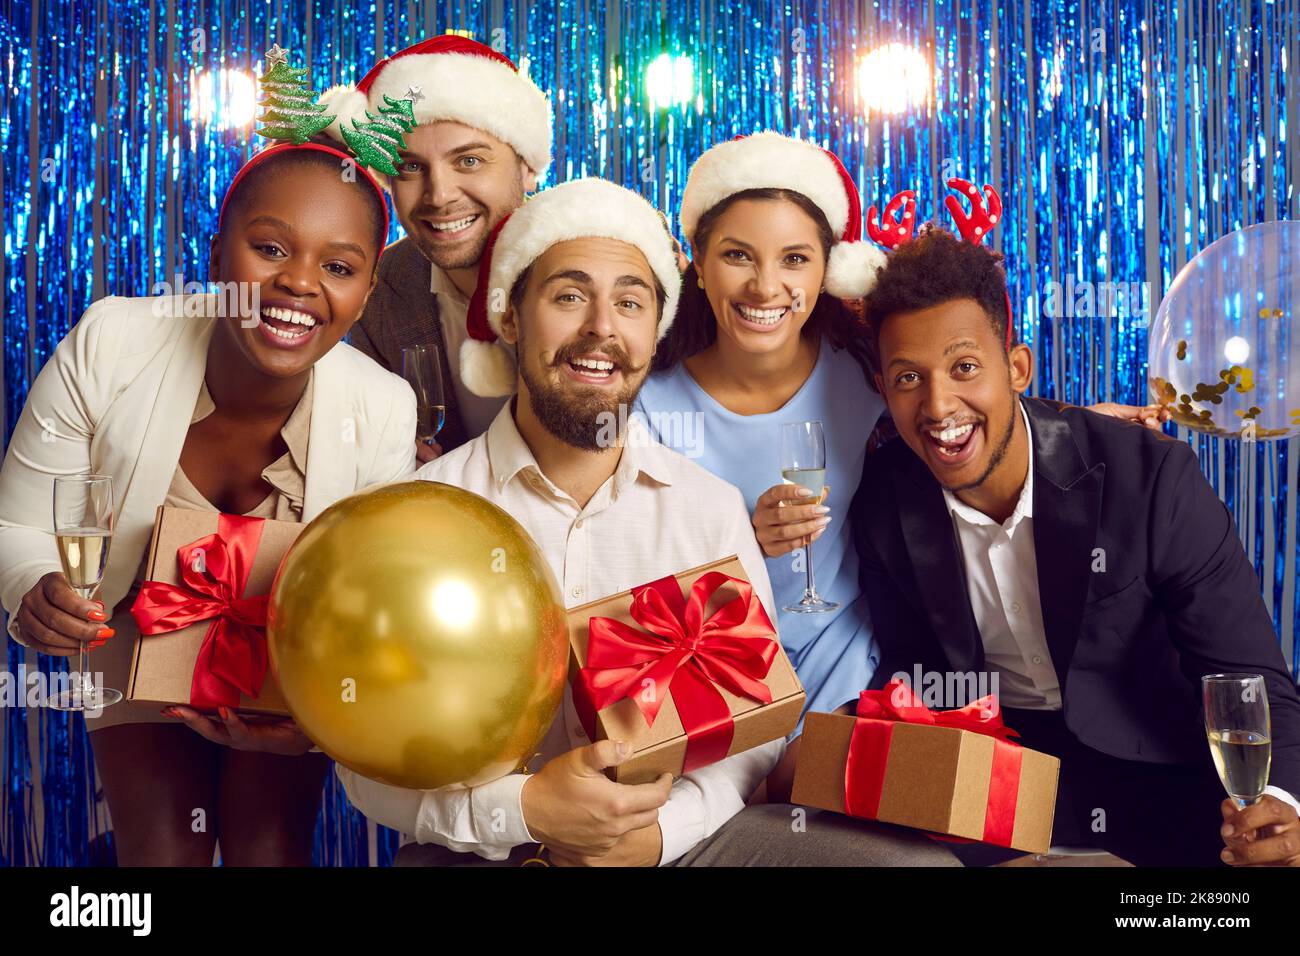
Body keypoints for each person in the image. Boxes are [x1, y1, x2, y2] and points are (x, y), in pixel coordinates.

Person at [335, 177, 959, 866]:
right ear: (509, 319)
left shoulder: (706, 508)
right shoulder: (424, 515)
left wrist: (660, 834)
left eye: (629, 303)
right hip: (489, 848)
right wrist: (524, 810)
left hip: (683, 845)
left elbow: (752, 738)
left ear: (653, 329)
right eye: (569, 296)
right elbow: (363, 766)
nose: (602, 328)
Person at [636, 133, 1167, 798]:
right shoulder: (650, 408)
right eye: (737, 256)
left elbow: (959, 405)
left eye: (794, 259)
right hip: (724, 689)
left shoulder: (859, 370)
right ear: (698, 262)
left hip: (851, 679)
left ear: (825, 270)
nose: (766, 284)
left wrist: (1071, 427)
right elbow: (639, 586)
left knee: (929, 824)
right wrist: (742, 536)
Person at [0, 82, 417, 865]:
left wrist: (320, 717)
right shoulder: (113, 342)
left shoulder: (383, 406)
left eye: (339, 265)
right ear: (219, 247)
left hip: (288, 659)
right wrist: (33, 587)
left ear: (363, 293)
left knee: (270, 851)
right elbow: (17, 527)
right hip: (130, 631)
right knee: (162, 855)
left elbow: (372, 605)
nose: (300, 282)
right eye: (270, 248)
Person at [851, 225, 1300, 866]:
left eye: (965, 367)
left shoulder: (1150, 479)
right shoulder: (885, 502)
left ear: (1017, 368)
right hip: (1001, 769)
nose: (938, 403)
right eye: (906, 379)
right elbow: (915, 674)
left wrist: (1280, 803)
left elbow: (1251, 680)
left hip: (1165, 766)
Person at [322, 35, 552, 457]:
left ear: (527, 167)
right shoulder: (379, 292)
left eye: (469, 160)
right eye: (411, 166)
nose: (440, 195)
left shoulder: (605, 257)